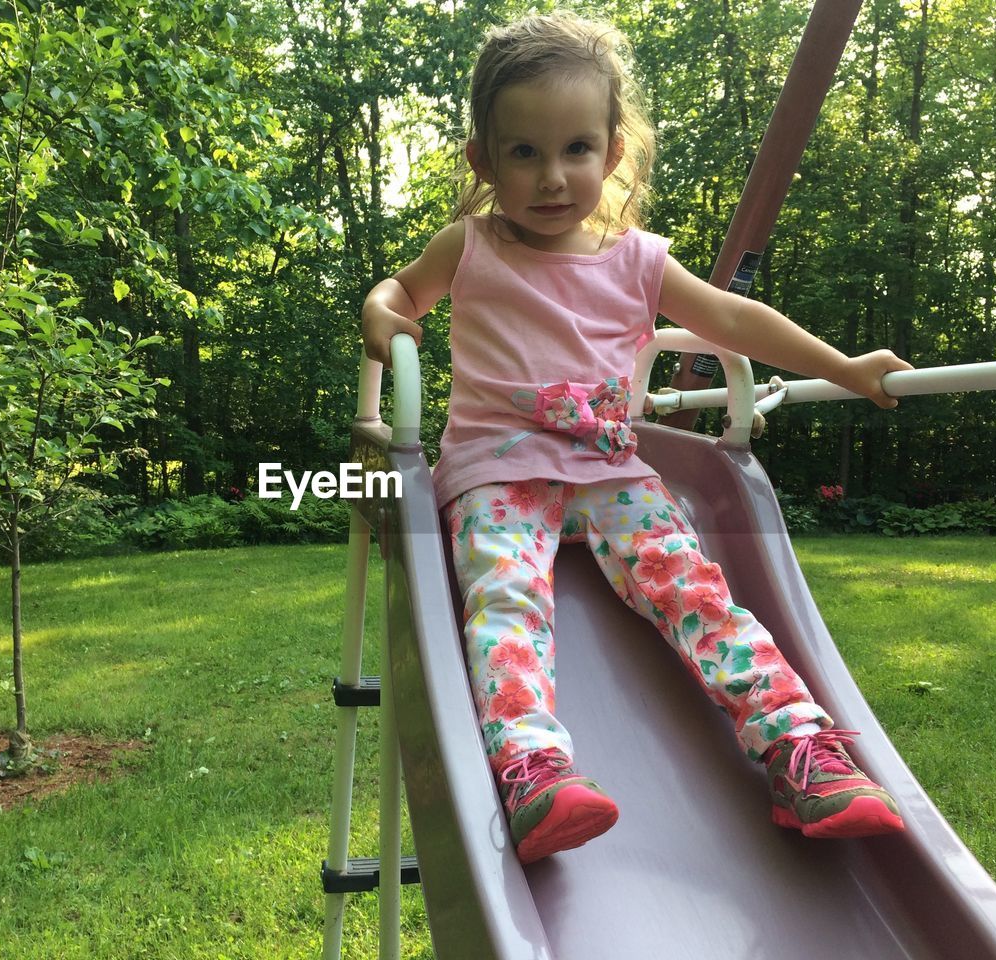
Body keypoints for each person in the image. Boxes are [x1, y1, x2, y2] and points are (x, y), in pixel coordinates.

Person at [362, 11, 912, 865]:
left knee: (694, 589)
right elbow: (395, 294)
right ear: (483, 161)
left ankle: (799, 749)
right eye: (524, 153)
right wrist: (388, 320)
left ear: (612, 151)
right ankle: (532, 770)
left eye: (576, 148)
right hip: (495, 472)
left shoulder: (638, 259)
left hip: (611, 467)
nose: (553, 176)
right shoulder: (467, 246)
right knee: (505, 599)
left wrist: (844, 368)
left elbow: (732, 316)